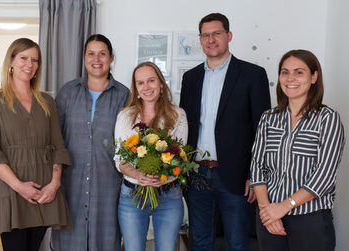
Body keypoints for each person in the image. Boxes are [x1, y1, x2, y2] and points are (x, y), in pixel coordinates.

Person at [179, 13, 271, 251]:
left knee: (237, 243)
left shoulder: (253, 75)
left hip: (237, 176)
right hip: (196, 173)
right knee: (199, 242)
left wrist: (255, 175)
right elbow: (185, 127)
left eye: (217, 33)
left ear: (229, 36)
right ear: (200, 40)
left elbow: (263, 131)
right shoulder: (191, 78)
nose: (211, 39)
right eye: (205, 35)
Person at [0, 38, 71, 251]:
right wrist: (20, 187)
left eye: (35, 60)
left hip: (44, 192)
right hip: (10, 191)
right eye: (24, 58)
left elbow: (58, 146)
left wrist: (54, 185)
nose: (30, 64)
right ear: (11, 61)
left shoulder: (47, 102)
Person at [250, 49, 345, 251]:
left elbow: (324, 176)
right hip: (269, 218)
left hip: (311, 220)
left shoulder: (327, 119)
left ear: (314, 77)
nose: (290, 78)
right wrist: (267, 211)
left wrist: (283, 207)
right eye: (285, 72)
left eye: (299, 72)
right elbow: (257, 167)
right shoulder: (268, 118)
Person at [51, 34, 129, 251]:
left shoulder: (124, 95)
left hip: (107, 187)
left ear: (111, 58)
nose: (97, 59)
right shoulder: (67, 92)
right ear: (84, 58)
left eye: (102, 54)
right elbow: (55, 138)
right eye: (91, 54)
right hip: (69, 184)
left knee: (105, 243)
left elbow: (130, 144)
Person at [114, 62, 188, 251]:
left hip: (169, 194)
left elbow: (179, 157)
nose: (146, 87)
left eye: (151, 81)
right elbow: (119, 159)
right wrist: (138, 175)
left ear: (161, 83)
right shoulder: (125, 116)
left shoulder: (177, 115)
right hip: (132, 194)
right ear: (136, 88)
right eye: (140, 83)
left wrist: (161, 176)